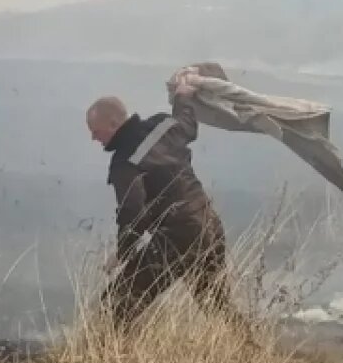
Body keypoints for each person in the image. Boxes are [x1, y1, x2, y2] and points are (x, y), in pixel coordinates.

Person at [86, 80, 246, 333]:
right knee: (216, 303)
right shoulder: (162, 125)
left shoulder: (124, 162)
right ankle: (251, 351)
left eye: (95, 131)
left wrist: (124, 253)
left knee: (117, 304)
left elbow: (132, 213)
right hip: (209, 224)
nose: (93, 138)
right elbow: (187, 127)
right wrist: (183, 97)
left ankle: (112, 362)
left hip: (177, 237)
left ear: (113, 124)